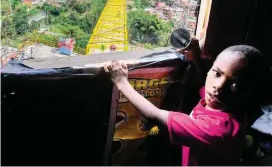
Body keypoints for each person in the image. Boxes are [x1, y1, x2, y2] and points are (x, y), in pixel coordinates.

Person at [104, 39, 269, 166]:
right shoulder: (228, 103)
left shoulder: (216, 130)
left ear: (249, 91)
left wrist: (121, 83)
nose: (218, 86)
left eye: (236, 85)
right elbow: (201, 85)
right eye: (217, 73)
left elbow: (153, 114)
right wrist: (195, 59)